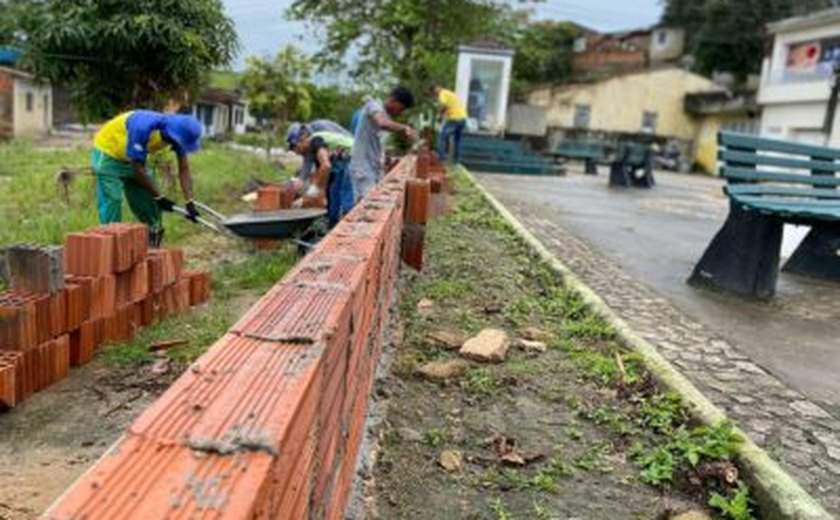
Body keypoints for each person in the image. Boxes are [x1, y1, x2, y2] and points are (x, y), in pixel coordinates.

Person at [92, 110, 203, 246]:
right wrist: (160, 197)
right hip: (109, 153)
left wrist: (189, 201)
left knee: (149, 203)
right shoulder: (143, 127)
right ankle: (110, 241)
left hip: (132, 159)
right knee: (113, 199)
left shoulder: (178, 135)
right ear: (172, 135)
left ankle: (152, 243)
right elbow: (137, 168)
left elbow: (184, 169)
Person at [349, 87, 417, 202]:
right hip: (363, 168)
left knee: (376, 204)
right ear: (393, 100)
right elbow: (382, 123)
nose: (400, 113)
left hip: (374, 168)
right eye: (401, 109)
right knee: (366, 206)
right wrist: (404, 127)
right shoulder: (374, 106)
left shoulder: (387, 116)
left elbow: (379, 141)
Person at [294, 130, 355, 228]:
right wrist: (312, 192)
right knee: (334, 192)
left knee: (345, 193)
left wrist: (316, 189)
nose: (297, 152)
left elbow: (326, 166)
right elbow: (319, 172)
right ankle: (332, 226)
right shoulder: (312, 151)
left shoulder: (315, 140)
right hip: (343, 162)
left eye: (296, 147)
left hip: (353, 154)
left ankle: (350, 228)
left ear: (303, 140)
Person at [432, 85, 467, 164]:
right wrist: (443, 116)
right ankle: (456, 161)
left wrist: (440, 116)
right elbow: (449, 106)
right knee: (457, 140)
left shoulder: (442, 93)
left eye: (434, 94)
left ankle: (441, 159)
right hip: (463, 118)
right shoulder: (450, 93)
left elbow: (444, 105)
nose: (436, 96)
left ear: (435, 90)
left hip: (454, 119)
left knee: (442, 137)